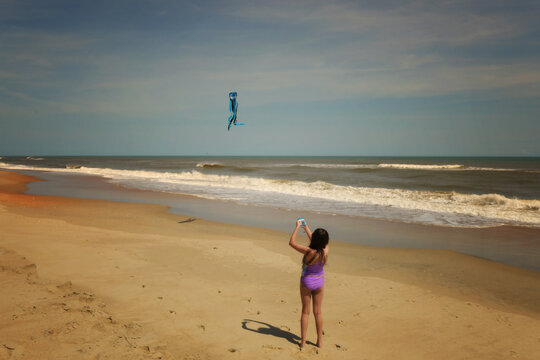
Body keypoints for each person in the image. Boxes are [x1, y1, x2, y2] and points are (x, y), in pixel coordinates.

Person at [289, 219, 329, 348]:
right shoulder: (326, 251)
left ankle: (303, 341)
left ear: (314, 240)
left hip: (306, 282)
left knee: (305, 312)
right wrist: (306, 229)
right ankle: (320, 341)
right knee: (318, 312)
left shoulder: (307, 251)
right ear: (325, 241)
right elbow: (319, 243)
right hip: (319, 282)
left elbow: (292, 243)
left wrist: (297, 227)